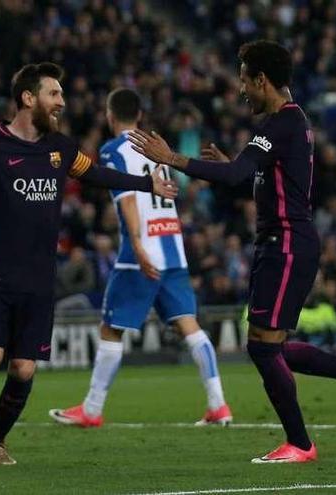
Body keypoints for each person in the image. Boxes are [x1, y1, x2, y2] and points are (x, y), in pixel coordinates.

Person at [128, 40, 336, 464]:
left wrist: (171, 157)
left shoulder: (280, 124)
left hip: (286, 244)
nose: (242, 89)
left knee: (264, 349)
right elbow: (260, 178)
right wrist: (235, 165)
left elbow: (234, 175)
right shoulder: (288, 122)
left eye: (245, 80)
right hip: (279, 243)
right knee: (273, 348)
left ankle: (301, 443)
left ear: (262, 80)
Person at [0, 62, 177, 467]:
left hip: (40, 280)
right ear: (29, 99)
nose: (62, 102)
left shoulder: (59, 149)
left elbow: (96, 174)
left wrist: (145, 183)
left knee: (24, 369)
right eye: (54, 95)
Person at [49, 88, 232, 428]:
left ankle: (91, 408)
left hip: (142, 251)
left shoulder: (114, 149)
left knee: (111, 328)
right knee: (188, 324)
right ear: (140, 116)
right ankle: (218, 404)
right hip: (173, 248)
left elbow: (129, 198)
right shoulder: (155, 148)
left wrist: (136, 243)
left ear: (109, 114)